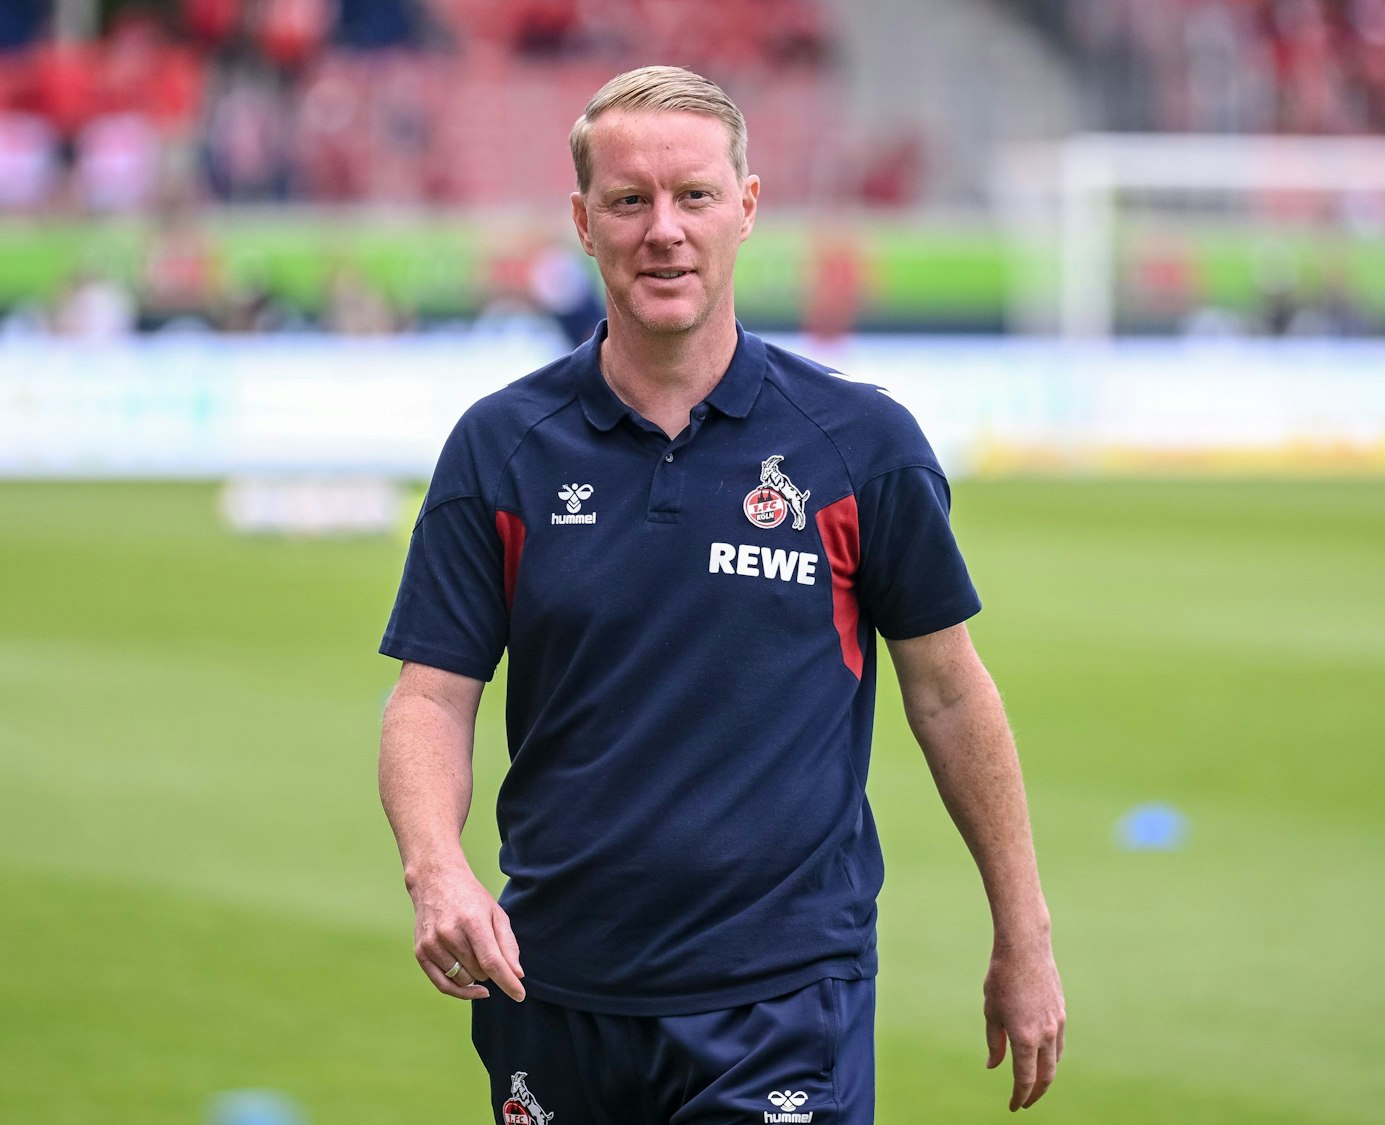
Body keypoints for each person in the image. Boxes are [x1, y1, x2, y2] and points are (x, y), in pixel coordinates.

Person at [377, 66, 1064, 1124]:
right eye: (628, 200)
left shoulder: (858, 447)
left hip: (783, 1002)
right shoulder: (500, 447)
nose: (663, 230)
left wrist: (1023, 935)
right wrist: (436, 871)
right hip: (551, 990)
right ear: (582, 221)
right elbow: (431, 698)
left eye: (693, 196)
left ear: (745, 209)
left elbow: (949, 695)